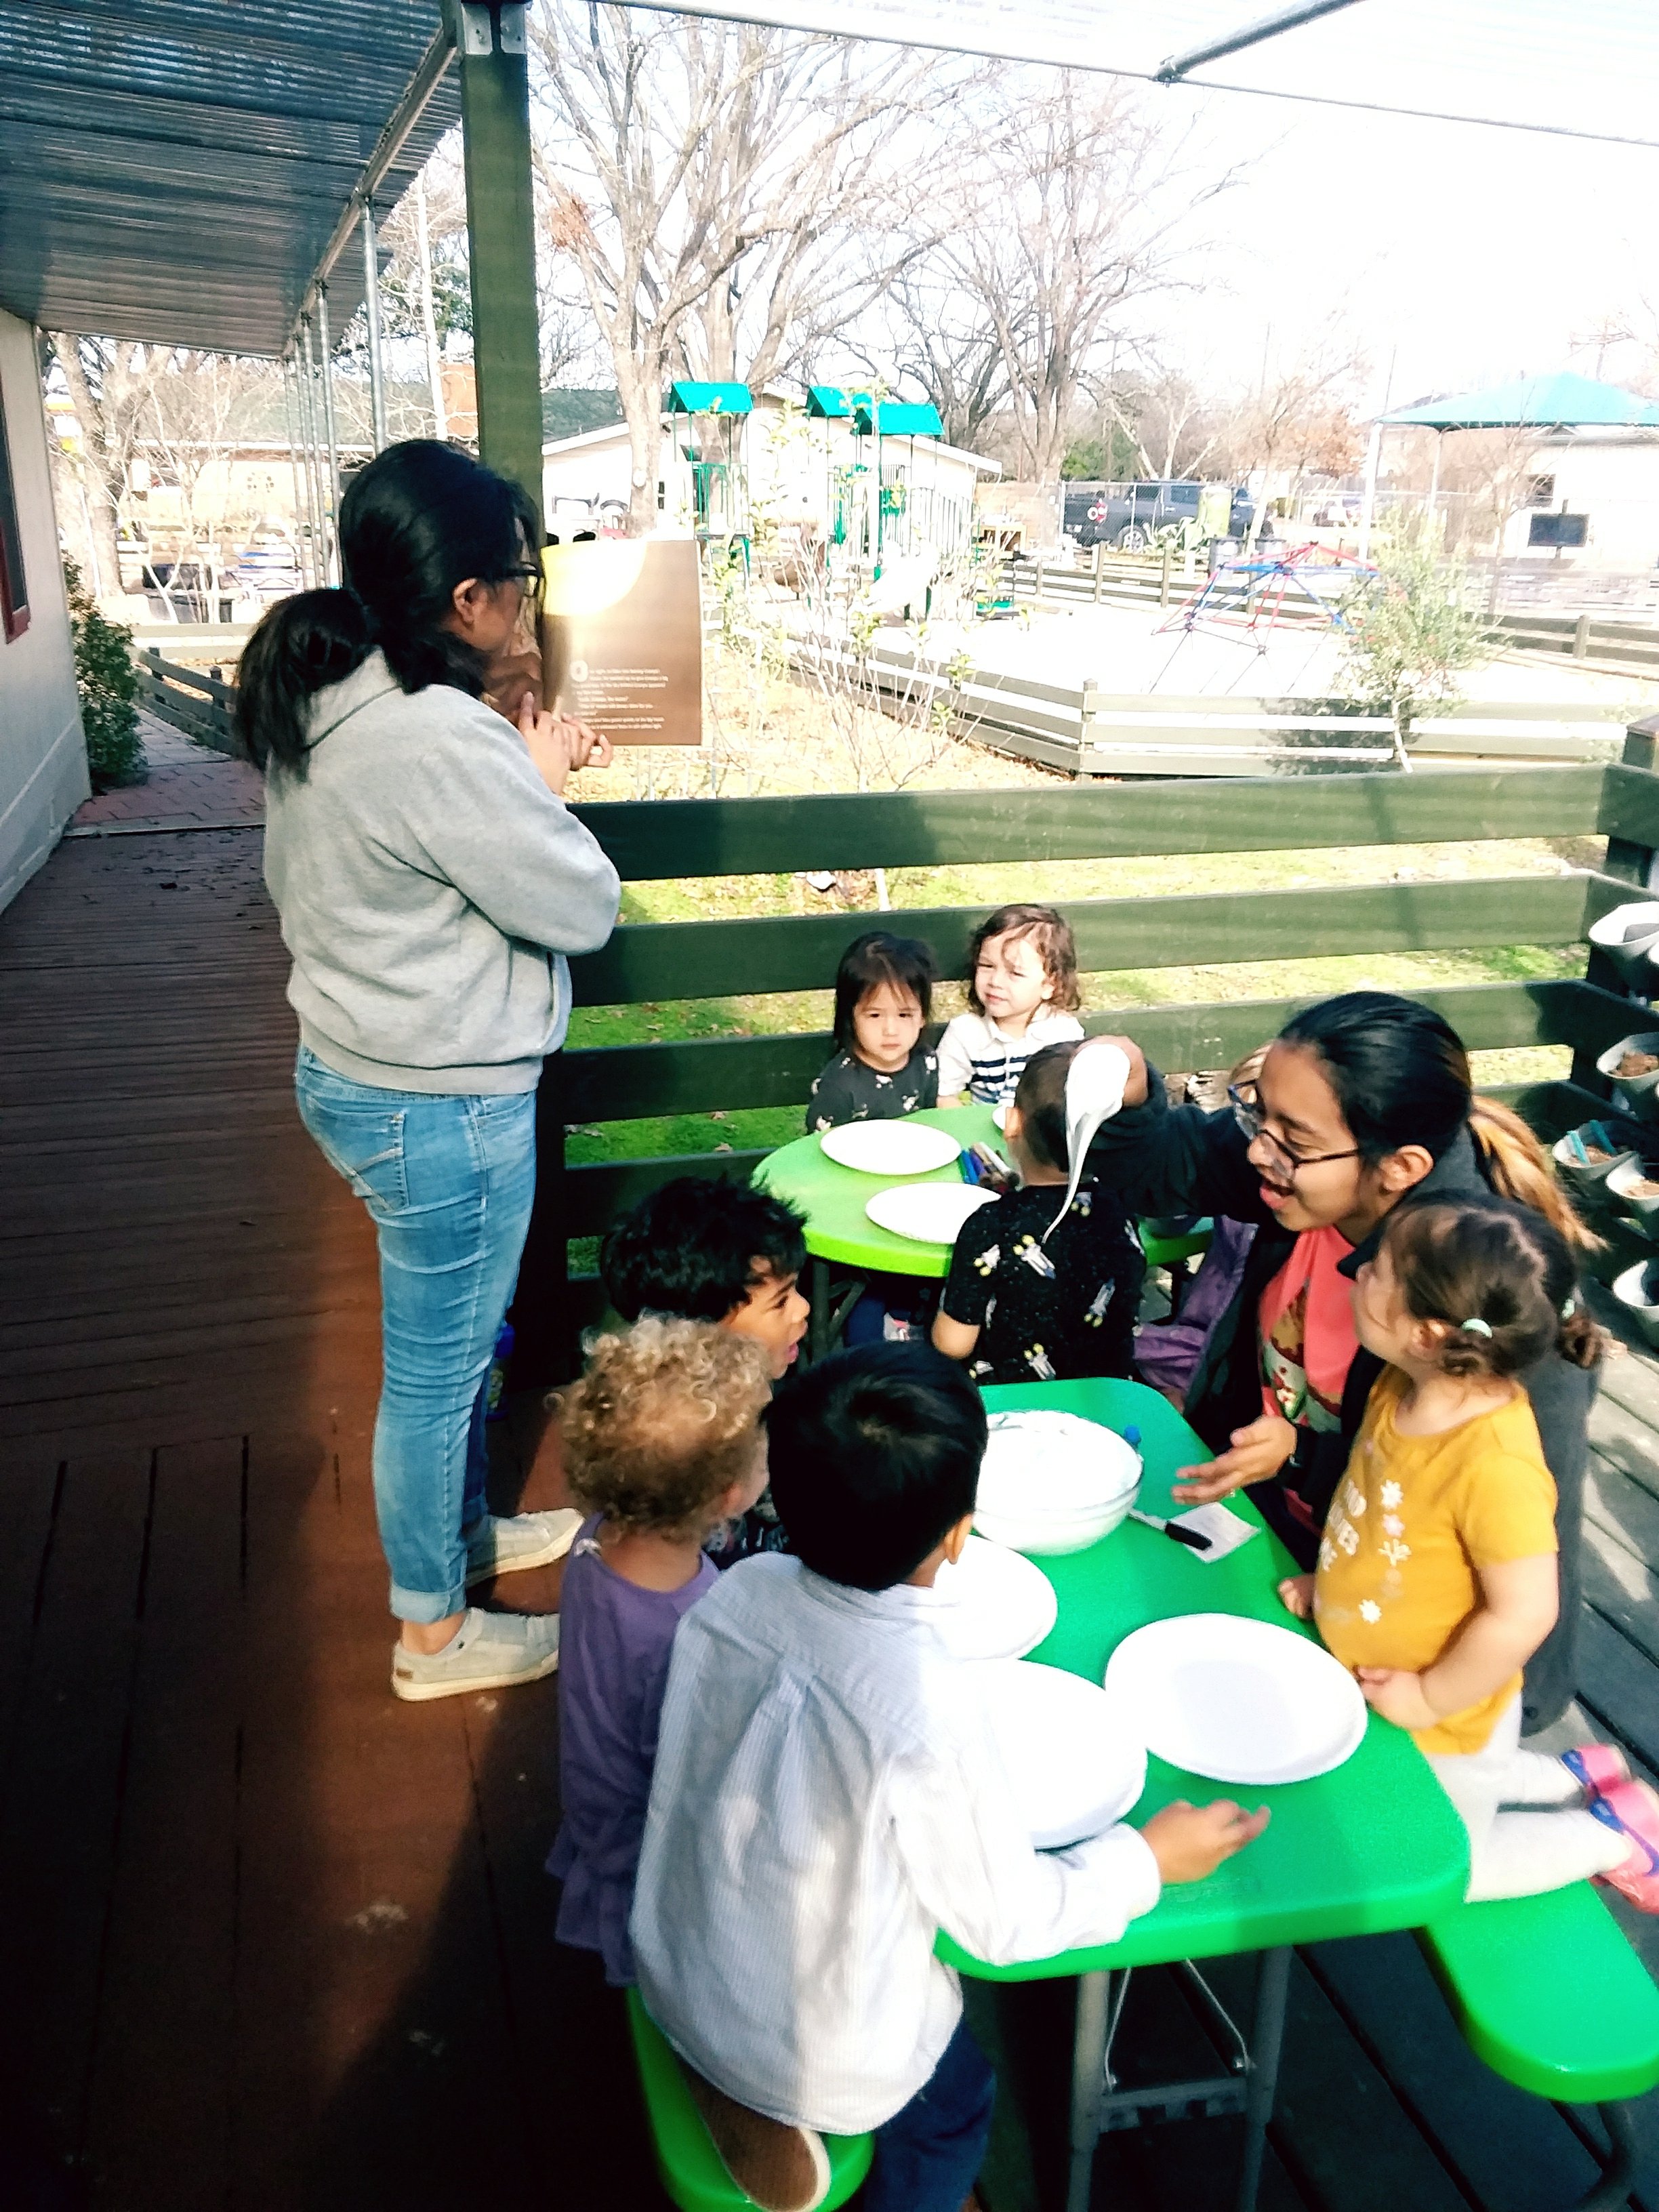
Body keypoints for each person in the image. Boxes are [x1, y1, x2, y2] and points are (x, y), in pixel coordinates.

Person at [630, 1344, 1269, 2212]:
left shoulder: (737, 1593)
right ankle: (785, 2102)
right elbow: (1005, 1926)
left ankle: (725, 2065)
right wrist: (1147, 1860)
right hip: (822, 2048)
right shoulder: (925, 1706)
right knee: (956, 2107)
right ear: (962, 1532)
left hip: (676, 1958)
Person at [239, 440, 621, 1702]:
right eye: (521, 575)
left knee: (443, 1356)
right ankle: (432, 1633)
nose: (527, 598)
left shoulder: (325, 687)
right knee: (436, 1376)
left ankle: (457, 1542)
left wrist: (507, 761)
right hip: (439, 1104)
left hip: (358, 1072)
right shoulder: (435, 734)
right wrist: (540, 781)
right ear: (468, 598)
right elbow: (580, 904)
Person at [1071, 991, 1595, 1733]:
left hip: (1405, 1653)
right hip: (1290, 1554)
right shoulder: (1309, 1164)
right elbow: (1162, 1164)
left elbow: (1509, 1555)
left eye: (1292, 1139)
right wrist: (1131, 1093)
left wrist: (1480, 1706)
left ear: (1400, 1168)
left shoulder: (1484, 1297)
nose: (1260, 1151)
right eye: (1259, 1116)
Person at [1279, 1200, 1659, 1910]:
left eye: (1378, 1270)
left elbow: (1526, 1613)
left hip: (1445, 1715)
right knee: (1463, 1783)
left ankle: (1618, 1837)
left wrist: (1429, 1697)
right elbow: (1391, 1521)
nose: (1358, 1272)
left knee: (1442, 1866)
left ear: (1427, 1333)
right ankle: (1576, 1775)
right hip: (1393, 1687)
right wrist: (1331, 1587)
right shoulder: (1404, 1383)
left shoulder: (1494, 1464)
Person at [546, 1318, 775, 1983]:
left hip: (596, 1793)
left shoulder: (596, 1539)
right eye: (761, 1446)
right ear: (728, 1496)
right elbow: (702, 1764)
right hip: (647, 1835)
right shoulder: (691, 1625)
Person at [599, 1175, 811, 1564]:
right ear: (704, 1335)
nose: (803, 1309)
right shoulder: (671, 1448)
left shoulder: (781, 1395)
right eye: (781, 1301)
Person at [933, 1042, 1145, 1384]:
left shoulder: (991, 1224)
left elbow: (953, 1344)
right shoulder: (1122, 1212)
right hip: (1106, 1398)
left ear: (1012, 1123)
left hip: (1008, 1402)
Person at [936, 903, 1085, 1107]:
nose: (995, 981)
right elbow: (943, 1094)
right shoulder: (966, 1032)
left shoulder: (1062, 1033)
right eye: (987, 966)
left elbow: (1074, 1100)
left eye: (1015, 973)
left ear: (1050, 985)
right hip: (986, 1126)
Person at [806, 931, 939, 1132]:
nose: (891, 1030)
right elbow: (818, 1146)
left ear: (923, 1016)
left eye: (904, 1015)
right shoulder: (839, 1086)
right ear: (851, 1017)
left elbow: (929, 1126)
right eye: (875, 1015)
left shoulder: (926, 1061)